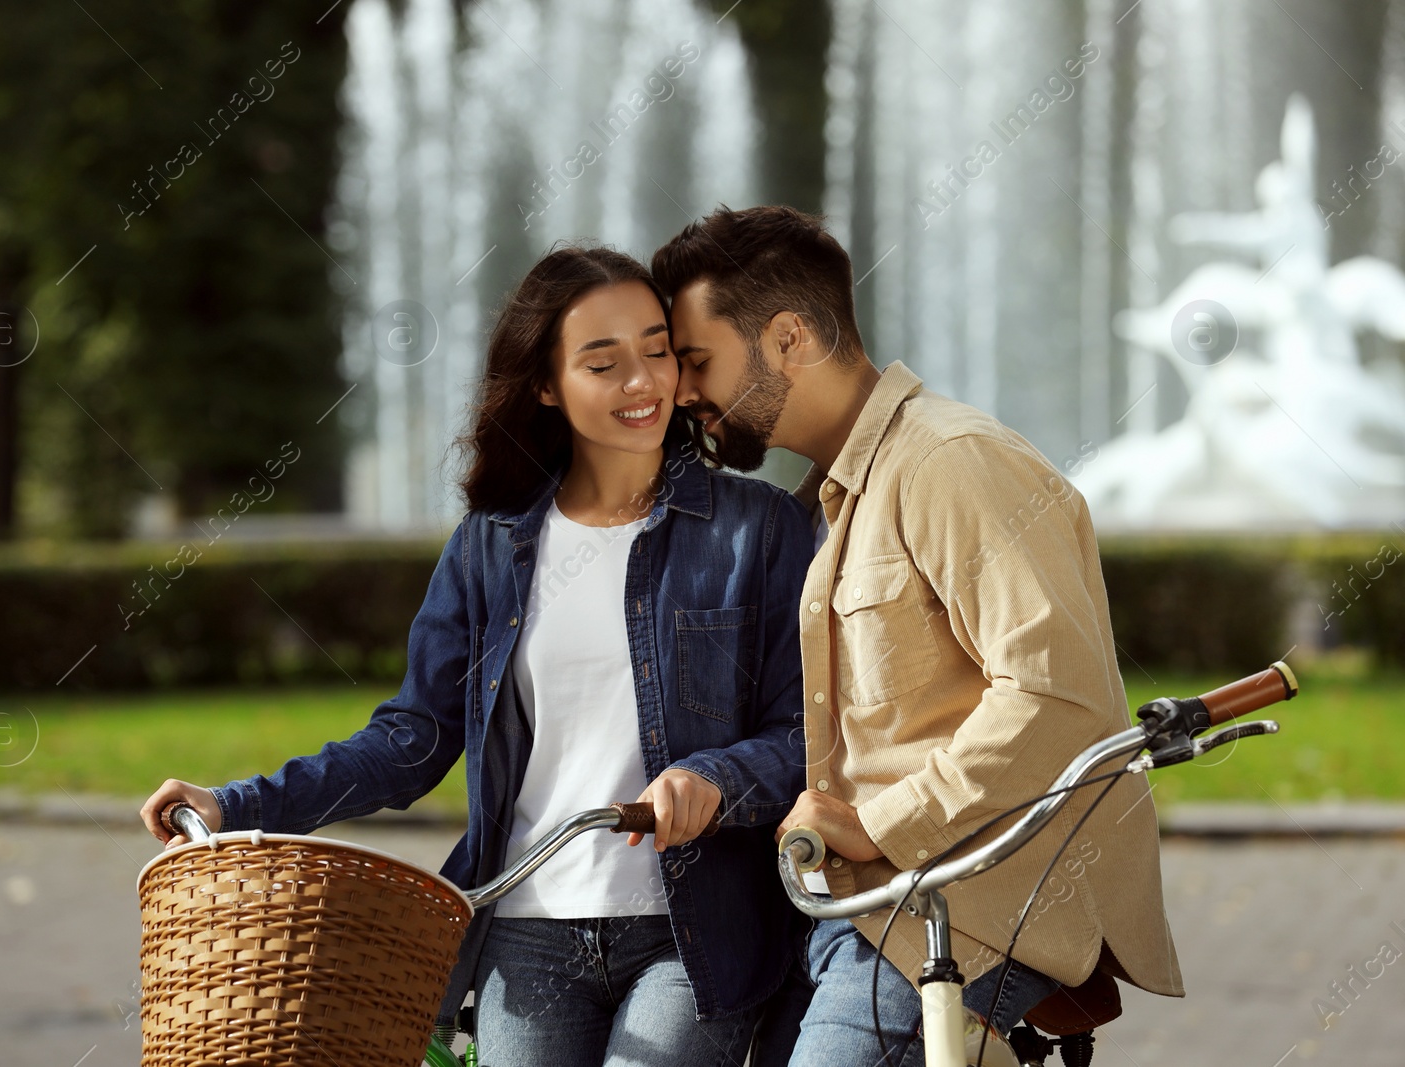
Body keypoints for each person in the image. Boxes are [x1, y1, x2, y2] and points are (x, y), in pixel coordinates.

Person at [139, 245, 813, 1067]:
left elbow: (804, 733)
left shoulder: (761, 529)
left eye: (657, 349)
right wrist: (235, 805)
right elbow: (411, 737)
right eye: (603, 363)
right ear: (544, 384)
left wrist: (716, 777)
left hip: (694, 933)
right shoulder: (491, 545)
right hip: (524, 932)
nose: (644, 382)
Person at [651, 206, 1185, 1066]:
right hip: (861, 910)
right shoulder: (827, 499)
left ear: (788, 337)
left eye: (697, 360)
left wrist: (886, 824)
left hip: (963, 916)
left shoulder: (950, 461)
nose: (681, 391)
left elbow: (1059, 695)